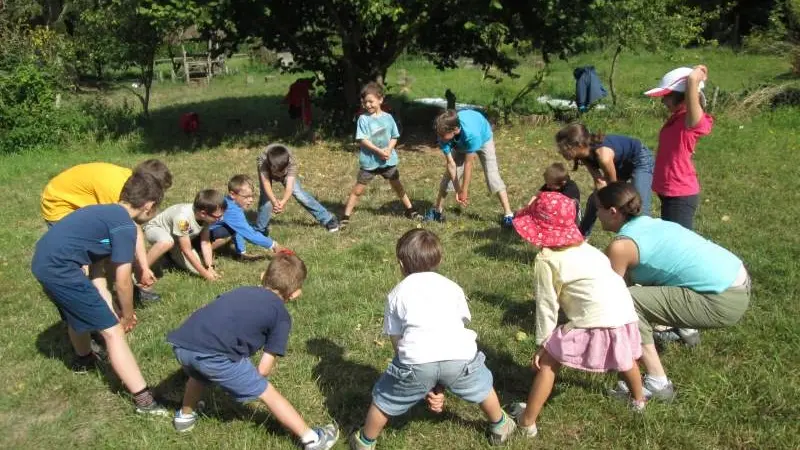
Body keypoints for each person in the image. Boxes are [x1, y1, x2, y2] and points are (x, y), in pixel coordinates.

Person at [349, 229, 515, 450]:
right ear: (439, 259)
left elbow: (397, 340)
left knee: (384, 399)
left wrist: (420, 375)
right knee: (484, 387)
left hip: (416, 361)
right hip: (460, 356)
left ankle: (365, 441)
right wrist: (437, 377)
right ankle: (500, 424)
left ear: (400, 263)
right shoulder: (453, 287)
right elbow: (461, 321)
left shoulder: (396, 294)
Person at [506, 191, 645, 438]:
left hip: (595, 318)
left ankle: (527, 422)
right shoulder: (589, 249)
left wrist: (543, 343)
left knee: (549, 362)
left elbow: (547, 306)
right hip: (624, 313)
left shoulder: (546, 260)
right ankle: (638, 401)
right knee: (625, 358)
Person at [167, 251, 339, 449]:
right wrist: (248, 379)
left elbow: (212, 309)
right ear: (295, 294)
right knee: (267, 392)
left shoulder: (240, 290)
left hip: (184, 343)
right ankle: (312, 439)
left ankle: (185, 417)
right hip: (215, 356)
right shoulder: (281, 316)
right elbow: (264, 369)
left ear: (261, 277)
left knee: (197, 375)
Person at [596, 183, 750, 401]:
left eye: (598, 208)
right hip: (737, 280)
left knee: (627, 301)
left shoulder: (621, 247)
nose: (597, 214)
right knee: (656, 281)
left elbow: (610, 295)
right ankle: (686, 331)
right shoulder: (650, 224)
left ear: (612, 212)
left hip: (723, 301)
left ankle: (657, 382)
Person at [31, 172, 169, 415]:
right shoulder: (124, 226)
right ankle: (145, 400)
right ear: (149, 205)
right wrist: (125, 316)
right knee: (113, 333)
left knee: (78, 312)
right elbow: (123, 280)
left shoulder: (104, 212)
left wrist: (109, 308)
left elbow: (97, 274)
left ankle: (84, 359)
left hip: (43, 261)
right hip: (60, 268)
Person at [40, 160, 173, 302]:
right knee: (88, 256)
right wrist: (140, 267)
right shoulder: (117, 190)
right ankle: (90, 302)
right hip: (59, 203)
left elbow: (134, 226)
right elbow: (126, 229)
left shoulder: (133, 186)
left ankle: (122, 291)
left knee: (112, 250)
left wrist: (144, 267)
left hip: (80, 198)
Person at [644, 65, 712, 231]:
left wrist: (692, 80)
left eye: (667, 95)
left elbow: (694, 112)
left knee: (678, 245)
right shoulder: (678, 118)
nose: (663, 100)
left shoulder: (690, 121)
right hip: (669, 191)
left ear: (681, 95)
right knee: (670, 238)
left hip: (679, 193)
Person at [341, 82, 419, 226]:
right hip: (369, 162)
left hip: (387, 161)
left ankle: (410, 210)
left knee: (397, 185)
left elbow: (394, 136)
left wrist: (389, 149)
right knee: (358, 190)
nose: (368, 105)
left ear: (380, 100)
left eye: (371, 101)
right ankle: (346, 216)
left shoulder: (388, 118)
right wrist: (378, 151)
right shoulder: (363, 119)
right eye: (365, 102)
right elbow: (362, 139)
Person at [555, 123, 653, 237]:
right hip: (619, 165)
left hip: (639, 160)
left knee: (639, 205)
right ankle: (580, 237)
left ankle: (643, 238)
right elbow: (599, 181)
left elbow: (615, 189)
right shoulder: (583, 154)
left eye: (564, 148)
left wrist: (610, 202)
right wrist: (600, 199)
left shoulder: (603, 156)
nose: (561, 152)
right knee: (593, 201)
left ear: (579, 145)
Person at [425, 109, 514, 227]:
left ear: (455, 129)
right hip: (460, 144)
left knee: (492, 175)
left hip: (483, 138)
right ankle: (437, 211)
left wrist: (464, 191)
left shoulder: (471, 135)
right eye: (439, 134)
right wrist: (458, 190)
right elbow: (451, 165)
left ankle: (508, 214)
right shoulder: (443, 135)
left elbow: (469, 164)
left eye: (442, 135)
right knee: (447, 178)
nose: (440, 138)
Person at [143, 190, 226, 281]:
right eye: (218, 216)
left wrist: (210, 267)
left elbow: (205, 242)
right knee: (167, 242)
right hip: (156, 229)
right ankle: (141, 269)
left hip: (177, 240)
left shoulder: (207, 216)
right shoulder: (183, 219)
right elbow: (186, 250)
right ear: (203, 213)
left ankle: (169, 256)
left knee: (198, 270)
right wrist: (206, 275)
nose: (221, 219)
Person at [254, 144, 339, 233]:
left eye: (281, 173)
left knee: (299, 193)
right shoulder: (263, 162)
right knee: (266, 198)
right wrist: (274, 202)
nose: (278, 176)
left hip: (285, 168)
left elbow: (290, 187)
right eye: (275, 173)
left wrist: (283, 202)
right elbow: (266, 184)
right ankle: (261, 229)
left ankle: (327, 219)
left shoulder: (291, 162)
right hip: (266, 166)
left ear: (286, 167)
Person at [209, 175, 287, 259]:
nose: (251, 200)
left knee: (233, 229)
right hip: (201, 237)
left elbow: (239, 229)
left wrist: (242, 252)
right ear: (232, 194)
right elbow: (249, 234)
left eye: (251, 196)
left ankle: (239, 254)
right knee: (229, 232)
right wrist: (274, 245)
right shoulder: (231, 210)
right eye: (246, 197)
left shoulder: (231, 203)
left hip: (208, 233)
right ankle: (202, 252)